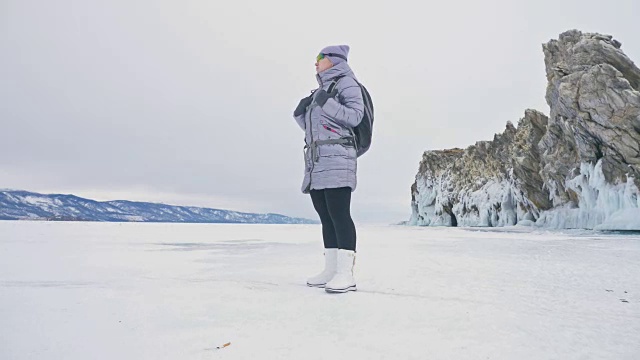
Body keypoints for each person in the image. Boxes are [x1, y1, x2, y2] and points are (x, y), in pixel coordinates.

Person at [292, 45, 364, 293]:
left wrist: (326, 102)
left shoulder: (347, 83)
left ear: (333, 61)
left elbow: (355, 117)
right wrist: (301, 114)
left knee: (339, 214)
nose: (316, 62)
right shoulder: (321, 89)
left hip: (338, 158)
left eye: (320, 58)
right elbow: (320, 129)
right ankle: (331, 269)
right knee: (325, 215)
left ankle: (346, 274)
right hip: (317, 161)